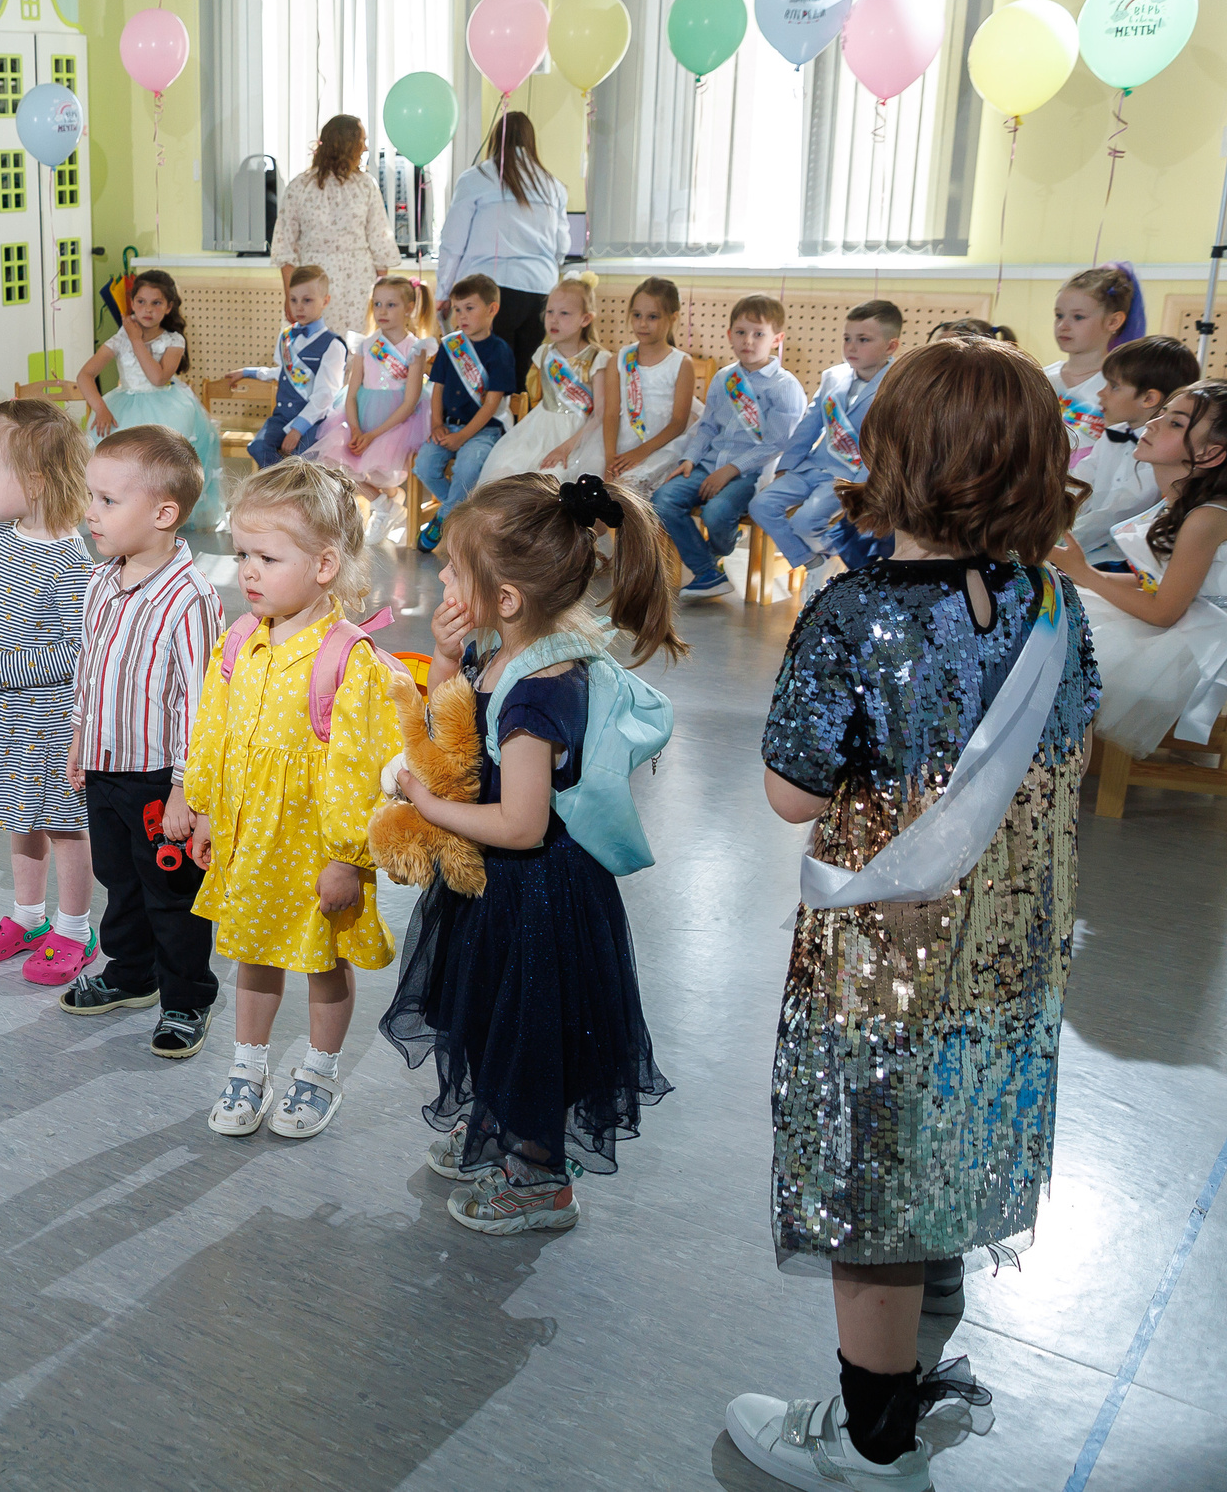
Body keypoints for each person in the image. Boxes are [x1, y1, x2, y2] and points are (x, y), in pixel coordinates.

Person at [731, 337, 1098, 1490]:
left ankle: (870, 1441)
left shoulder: (853, 614)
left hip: (881, 958)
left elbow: (792, 794)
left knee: (869, 1191)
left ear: (886, 456)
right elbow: (1068, 746)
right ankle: (916, 1374)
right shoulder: (1054, 606)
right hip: (1004, 947)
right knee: (942, 1148)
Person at [380, 470, 683, 1234]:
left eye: (453, 566)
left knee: (530, 1030)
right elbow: (455, 729)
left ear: (506, 596)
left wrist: (426, 806)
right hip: (499, 887)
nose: (442, 576)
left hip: (536, 891)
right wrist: (447, 661)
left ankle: (538, 1174)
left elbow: (518, 821)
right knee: (488, 1016)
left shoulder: (538, 693)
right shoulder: (508, 653)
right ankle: (499, 1127)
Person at [187, 460, 402, 1140]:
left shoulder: (348, 659)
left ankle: (318, 1070)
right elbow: (211, 732)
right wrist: (205, 807)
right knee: (251, 954)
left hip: (316, 848)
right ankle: (248, 1066)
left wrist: (347, 858)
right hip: (252, 837)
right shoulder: (238, 640)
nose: (248, 570)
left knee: (322, 963)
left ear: (325, 563)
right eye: (242, 553)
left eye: (267, 557)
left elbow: (360, 769)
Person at [60, 426, 227, 1059]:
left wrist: (189, 789)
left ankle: (186, 998)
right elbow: (91, 667)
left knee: (172, 895)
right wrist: (80, 737)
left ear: (163, 514)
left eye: (106, 501)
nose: (88, 513)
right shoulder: (101, 582)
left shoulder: (190, 600)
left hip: (162, 781)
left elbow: (201, 705)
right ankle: (131, 973)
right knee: (118, 877)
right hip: (105, 768)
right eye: (90, 497)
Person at [0, 401, 96, 981]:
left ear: (33, 481)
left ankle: (76, 929)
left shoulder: (70, 560)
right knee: (17, 819)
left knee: (62, 827)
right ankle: (29, 917)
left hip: (47, 725)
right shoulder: (4, 539)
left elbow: (75, 656)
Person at [1051, 380, 1227, 759]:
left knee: (1065, 641)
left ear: (1211, 454)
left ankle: (1058, 762)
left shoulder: (1206, 518)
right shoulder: (1179, 501)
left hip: (1204, 641)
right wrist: (1069, 571)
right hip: (1185, 616)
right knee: (1056, 602)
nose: (1153, 423)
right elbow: (1159, 581)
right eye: (1162, 413)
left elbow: (1164, 610)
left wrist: (1085, 573)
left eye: (1176, 423)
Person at [653, 294, 807, 601]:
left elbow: (777, 443)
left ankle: (715, 552)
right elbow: (707, 427)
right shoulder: (724, 378)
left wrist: (730, 470)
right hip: (708, 464)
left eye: (758, 334)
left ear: (777, 339)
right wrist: (689, 459)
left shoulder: (784, 386)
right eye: (740, 332)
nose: (748, 341)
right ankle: (709, 572)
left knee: (718, 512)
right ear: (729, 335)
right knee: (662, 500)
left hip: (751, 474)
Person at [749, 300, 902, 590]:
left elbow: (889, 444)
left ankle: (835, 555)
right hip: (813, 465)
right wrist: (788, 466)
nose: (851, 347)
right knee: (761, 505)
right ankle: (816, 561)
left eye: (863, 340)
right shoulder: (833, 376)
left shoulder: (897, 385)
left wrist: (860, 486)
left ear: (891, 346)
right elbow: (809, 423)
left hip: (853, 475)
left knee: (805, 522)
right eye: (847, 338)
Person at [77, 269, 226, 532]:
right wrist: (99, 408)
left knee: (163, 462)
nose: (147, 309)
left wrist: (136, 341)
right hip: (124, 406)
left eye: (156, 303)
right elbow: (85, 375)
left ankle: (161, 511)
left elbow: (157, 378)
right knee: (121, 461)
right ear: (131, 304)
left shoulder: (173, 340)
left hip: (167, 405)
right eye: (141, 302)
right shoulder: (119, 339)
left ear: (168, 307)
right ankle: (123, 511)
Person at [435, 110, 570, 366]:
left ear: (496, 139)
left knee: (483, 378)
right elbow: (562, 247)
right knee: (518, 377)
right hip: (538, 292)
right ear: (531, 141)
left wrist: (443, 291)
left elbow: (453, 243)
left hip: (487, 291)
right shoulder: (553, 186)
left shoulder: (475, 178)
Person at [310, 273, 433, 546]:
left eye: (391, 305)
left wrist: (373, 434)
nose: (382, 311)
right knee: (335, 461)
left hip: (397, 422)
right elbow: (351, 394)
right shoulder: (365, 345)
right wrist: (356, 428)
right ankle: (384, 504)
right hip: (360, 418)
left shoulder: (416, 348)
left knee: (378, 466)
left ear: (409, 307)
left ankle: (389, 501)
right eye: (377, 304)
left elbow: (410, 401)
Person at [412, 274, 520, 551]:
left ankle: (443, 519)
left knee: (468, 468)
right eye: (457, 309)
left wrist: (463, 438)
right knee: (423, 465)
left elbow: (492, 404)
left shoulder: (500, 351)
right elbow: (437, 389)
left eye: (469, 308)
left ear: (492, 309)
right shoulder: (451, 346)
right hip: (448, 426)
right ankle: (463, 517)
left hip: (483, 430)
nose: (461, 316)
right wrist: (436, 423)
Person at [268, 114, 401, 336]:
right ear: (348, 145)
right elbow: (285, 248)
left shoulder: (303, 186)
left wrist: (381, 299)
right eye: (362, 141)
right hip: (326, 284)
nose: (366, 147)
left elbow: (285, 249)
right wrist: (292, 298)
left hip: (342, 285)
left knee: (351, 352)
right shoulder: (304, 187)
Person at [1071, 337, 1199, 560]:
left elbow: (1123, 509)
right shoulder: (1112, 434)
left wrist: (1064, 537)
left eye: (1114, 386)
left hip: (1128, 559)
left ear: (1149, 398)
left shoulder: (1164, 451)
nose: (1101, 393)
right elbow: (1080, 482)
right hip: (1088, 547)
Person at [478, 271, 604, 486]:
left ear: (585, 319)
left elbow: (601, 413)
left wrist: (567, 446)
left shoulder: (598, 359)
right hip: (538, 428)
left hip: (581, 435)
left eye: (564, 313)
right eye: (550, 312)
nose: (554, 319)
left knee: (553, 479)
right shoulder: (543, 354)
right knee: (504, 469)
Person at [245, 266, 351, 471]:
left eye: (307, 300)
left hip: (313, 421)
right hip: (281, 416)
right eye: (293, 300)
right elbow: (286, 373)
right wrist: (249, 372)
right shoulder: (286, 337)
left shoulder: (333, 345)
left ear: (325, 301)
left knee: (301, 461)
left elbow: (324, 395)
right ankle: (281, 493)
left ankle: (292, 493)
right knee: (259, 447)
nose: (299, 307)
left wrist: (297, 429)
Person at [600, 278, 695, 494]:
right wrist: (609, 458)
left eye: (652, 317)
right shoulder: (619, 359)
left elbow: (679, 422)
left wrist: (640, 452)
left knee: (628, 490)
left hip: (660, 446)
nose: (642, 324)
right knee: (595, 486)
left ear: (673, 318)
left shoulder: (681, 363)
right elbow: (611, 413)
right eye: (637, 315)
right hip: (618, 443)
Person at [1049, 262, 1142, 454]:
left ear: (1113, 321)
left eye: (1078, 317)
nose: (1063, 326)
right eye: (1059, 315)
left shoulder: (1120, 387)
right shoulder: (1040, 377)